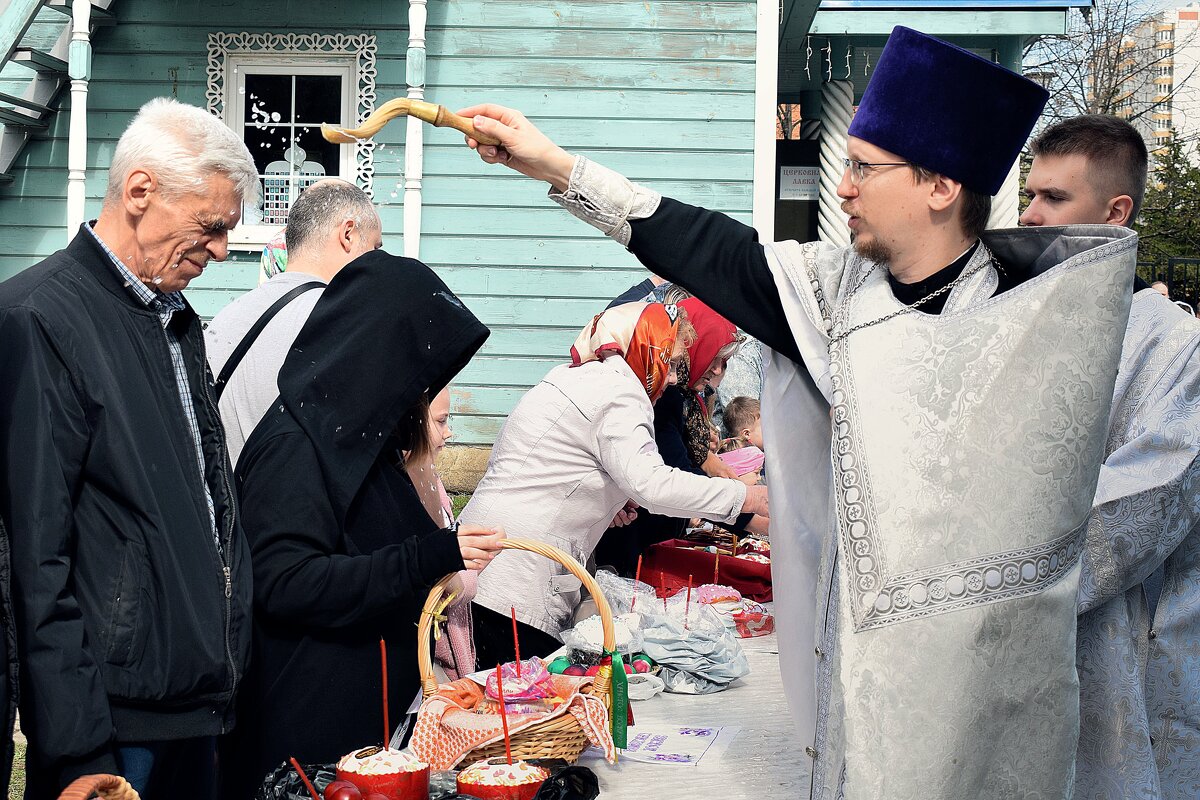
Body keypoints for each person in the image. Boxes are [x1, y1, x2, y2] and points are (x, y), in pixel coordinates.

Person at [458, 26, 1139, 799]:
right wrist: (555, 165)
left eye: (863, 168)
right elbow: (707, 247)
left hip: (987, 676)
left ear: (940, 187)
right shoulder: (834, 297)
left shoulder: (1037, 322)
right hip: (856, 669)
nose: (842, 188)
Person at [0, 97, 258, 799]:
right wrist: (79, 748)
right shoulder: (40, 316)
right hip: (113, 731)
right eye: (211, 226)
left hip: (191, 710)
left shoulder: (172, 318)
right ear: (140, 191)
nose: (221, 250)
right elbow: (36, 557)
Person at [223, 251, 504, 796]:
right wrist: (430, 555)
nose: (421, 390)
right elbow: (286, 582)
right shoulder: (298, 445)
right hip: (306, 746)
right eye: (417, 370)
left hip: (365, 737)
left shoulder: (359, 440)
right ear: (379, 355)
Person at [1022, 113, 1200, 800]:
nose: (1032, 215)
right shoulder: (1027, 328)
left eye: (1055, 198)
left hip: (1125, 647)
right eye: (1030, 195)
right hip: (1028, 643)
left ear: (1115, 211)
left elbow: (1144, 504)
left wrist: (1001, 576)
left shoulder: (1174, 348)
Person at [461, 301, 769, 665]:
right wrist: (745, 497)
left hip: (493, 559)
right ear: (646, 348)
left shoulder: (582, 377)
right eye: (669, 363)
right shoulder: (620, 393)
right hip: (516, 578)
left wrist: (605, 500)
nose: (671, 379)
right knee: (518, 704)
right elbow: (653, 485)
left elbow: (557, 467)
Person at [205, 178, 383, 467]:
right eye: (375, 247)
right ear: (348, 234)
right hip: (293, 507)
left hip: (227, 504)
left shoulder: (229, 315)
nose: (377, 261)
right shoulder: (342, 326)